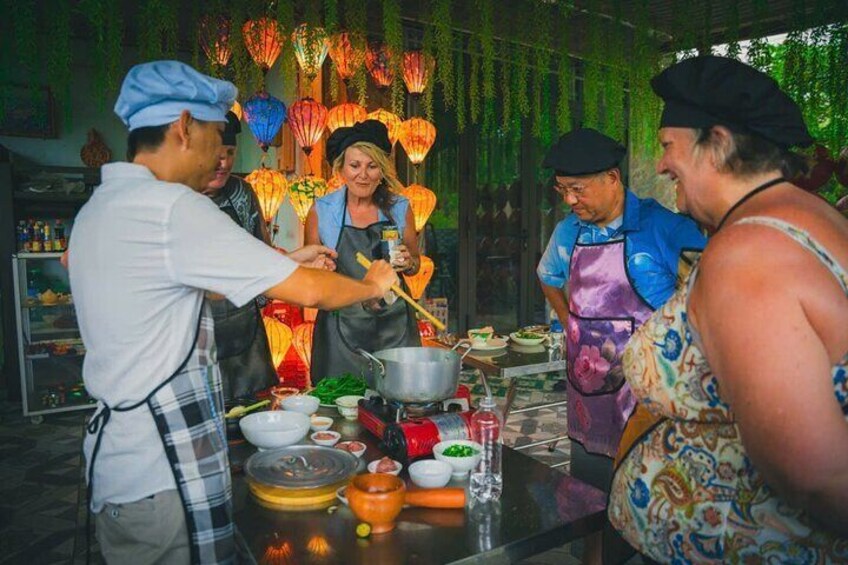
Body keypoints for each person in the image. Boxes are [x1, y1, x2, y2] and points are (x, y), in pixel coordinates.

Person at [68, 60, 398, 564]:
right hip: (160, 468)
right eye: (217, 134)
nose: (223, 155)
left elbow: (201, 286)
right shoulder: (173, 209)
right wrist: (370, 282)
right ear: (184, 127)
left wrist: (285, 259)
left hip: (122, 461)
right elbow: (309, 293)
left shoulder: (101, 207)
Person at [609, 55, 848, 563]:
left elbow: (812, 472)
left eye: (668, 146)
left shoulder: (747, 254)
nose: (659, 164)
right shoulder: (812, 216)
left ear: (715, 143)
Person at [536, 127, 706, 563]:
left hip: (649, 401)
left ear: (612, 177)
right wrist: (569, 322)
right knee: (591, 502)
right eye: (563, 191)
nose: (570, 201)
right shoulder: (567, 232)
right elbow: (547, 275)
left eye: (578, 189)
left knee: (655, 506)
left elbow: (706, 299)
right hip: (588, 399)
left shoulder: (665, 228)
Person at [305, 120, 422, 383]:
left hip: (394, 324)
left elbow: (415, 265)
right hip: (340, 326)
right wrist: (320, 269)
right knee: (339, 403)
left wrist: (408, 262)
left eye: (372, 166)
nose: (363, 175)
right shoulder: (322, 211)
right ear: (341, 169)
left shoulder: (399, 207)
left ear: (382, 170)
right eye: (354, 165)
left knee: (399, 401)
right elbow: (309, 274)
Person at [201, 111, 301, 403]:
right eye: (215, 155)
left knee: (252, 410)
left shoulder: (242, 192)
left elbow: (261, 249)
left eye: (230, 153)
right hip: (198, 331)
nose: (223, 164)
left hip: (244, 328)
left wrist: (295, 260)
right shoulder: (181, 198)